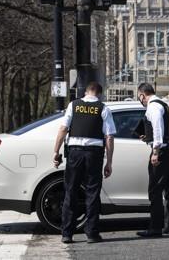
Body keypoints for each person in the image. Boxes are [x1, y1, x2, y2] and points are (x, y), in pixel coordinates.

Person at [53, 82, 116, 244]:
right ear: (99, 94)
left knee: (71, 191)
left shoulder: (73, 105)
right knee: (92, 193)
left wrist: (56, 151)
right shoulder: (103, 108)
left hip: (74, 153)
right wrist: (109, 162)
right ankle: (92, 233)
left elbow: (63, 129)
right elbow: (109, 137)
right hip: (94, 154)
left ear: (85, 92)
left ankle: (67, 233)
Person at [136, 83, 169, 237]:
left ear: (142, 95)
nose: (140, 100)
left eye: (139, 97)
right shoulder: (164, 104)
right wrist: (147, 137)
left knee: (155, 190)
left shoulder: (153, 106)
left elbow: (159, 129)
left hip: (163, 150)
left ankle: (155, 228)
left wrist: (155, 151)